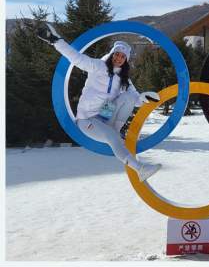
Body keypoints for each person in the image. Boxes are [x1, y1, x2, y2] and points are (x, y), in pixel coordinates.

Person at [36, 22, 161, 181]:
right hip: (87, 119)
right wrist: (56, 41)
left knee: (128, 97)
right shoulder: (97, 66)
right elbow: (75, 57)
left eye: (123, 56)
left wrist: (143, 98)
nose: (119, 58)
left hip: (105, 115)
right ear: (112, 54)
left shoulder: (123, 78)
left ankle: (114, 131)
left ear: (126, 60)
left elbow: (135, 100)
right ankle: (140, 169)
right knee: (112, 138)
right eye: (117, 54)